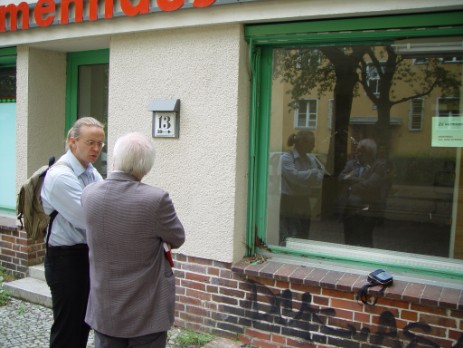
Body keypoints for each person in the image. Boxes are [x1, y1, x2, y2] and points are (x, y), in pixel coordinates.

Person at [81, 132, 186, 348]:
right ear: (145, 167)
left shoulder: (89, 193)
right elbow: (177, 237)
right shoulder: (156, 199)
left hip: (105, 305)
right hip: (146, 309)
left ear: (114, 160)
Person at [41, 116, 106, 348]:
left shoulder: (90, 172)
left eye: (100, 143)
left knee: (82, 325)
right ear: (73, 141)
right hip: (65, 259)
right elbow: (90, 218)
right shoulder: (60, 176)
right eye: (90, 142)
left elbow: (104, 206)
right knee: (68, 329)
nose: (96, 149)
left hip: (84, 255)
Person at [338, 138, 391, 247]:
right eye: (356, 150)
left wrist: (351, 185)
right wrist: (360, 180)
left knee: (364, 241)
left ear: (370, 153)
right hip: (349, 210)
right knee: (349, 242)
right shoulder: (351, 164)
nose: (357, 153)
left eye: (360, 151)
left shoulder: (378, 166)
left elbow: (370, 185)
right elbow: (341, 178)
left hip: (366, 211)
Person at [279, 130, 324, 244]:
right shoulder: (286, 158)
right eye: (311, 142)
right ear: (302, 143)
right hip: (289, 200)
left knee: (303, 234)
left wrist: (305, 176)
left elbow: (318, 179)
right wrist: (311, 173)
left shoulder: (311, 158)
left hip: (303, 200)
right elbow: (294, 177)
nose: (314, 146)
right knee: (289, 235)